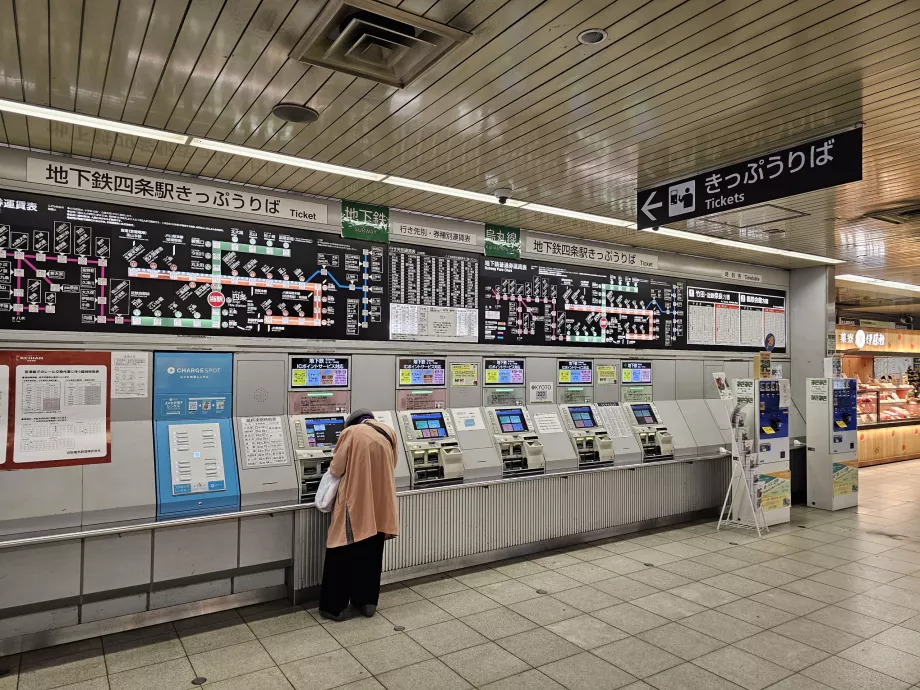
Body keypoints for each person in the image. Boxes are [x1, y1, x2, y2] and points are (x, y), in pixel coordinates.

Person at [318, 408, 399, 621]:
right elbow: (393, 464)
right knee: (372, 553)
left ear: (352, 423)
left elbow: (336, 468)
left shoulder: (351, 433)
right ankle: (367, 602)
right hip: (381, 503)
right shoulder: (389, 432)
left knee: (341, 552)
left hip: (356, 503)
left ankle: (333, 607)